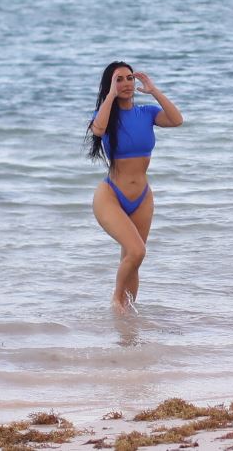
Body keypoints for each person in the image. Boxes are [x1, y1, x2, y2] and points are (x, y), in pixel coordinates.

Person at [86, 61, 183, 314]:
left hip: (142, 197)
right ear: (110, 85)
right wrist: (110, 96)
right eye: (119, 80)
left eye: (130, 78)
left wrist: (154, 91)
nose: (126, 84)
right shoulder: (106, 116)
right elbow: (98, 129)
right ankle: (116, 301)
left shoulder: (147, 113)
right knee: (137, 251)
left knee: (133, 260)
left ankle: (128, 317)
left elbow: (177, 120)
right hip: (111, 195)